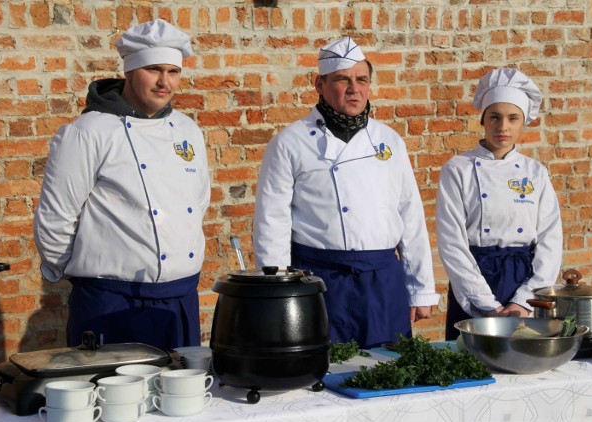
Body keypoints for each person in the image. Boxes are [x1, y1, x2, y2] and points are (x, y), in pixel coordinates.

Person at [33, 19, 211, 349]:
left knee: (180, 400)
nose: (164, 82)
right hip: (111, 304)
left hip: (180, 297)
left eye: (173, 72)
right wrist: (88, 278)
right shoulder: (88, 132)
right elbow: (55, 219)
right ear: (129, 70)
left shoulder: (188, 131)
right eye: (153, 70)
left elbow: (198, 202)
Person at [253, 36, 439, 349]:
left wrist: (421, 290)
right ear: (319, 84)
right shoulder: (290, 142)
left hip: (382, 283)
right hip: (317, 282)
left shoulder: (390, 141)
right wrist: (278, 293)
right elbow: (272, 221)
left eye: (361, 79)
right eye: (342, 79)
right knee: (319, 376)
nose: (354, 88)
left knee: (387, 376)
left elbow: (410, 217)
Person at [436, 68, 563, 340]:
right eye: (494, 117)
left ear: (523, 122)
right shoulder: (458, 169)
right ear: (483, 119)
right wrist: (488, 304)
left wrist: (524, 300)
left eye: (512, 118)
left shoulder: (535, 172)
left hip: (522, 282)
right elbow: (451, 243)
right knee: (470, 365)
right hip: (472, 278)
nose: (502, 127)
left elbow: (550, 242)